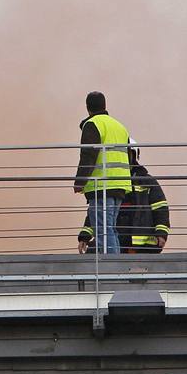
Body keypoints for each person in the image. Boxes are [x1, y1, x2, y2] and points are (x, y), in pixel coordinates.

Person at [77, 150, 171, 254]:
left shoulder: (146, 181)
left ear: (133, 156)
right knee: (94, 258)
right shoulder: (109, 182)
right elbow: (97, 212)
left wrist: (161, 234)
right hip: (114, 242)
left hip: (142, 246)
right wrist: (85, 236)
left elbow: (160, 208)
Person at [73, 91, 132, 254]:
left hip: (102, 185)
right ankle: (116, 265)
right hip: (120, 184)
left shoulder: (93, 124)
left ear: (87, 107)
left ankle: (110, 267)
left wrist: (79, 182)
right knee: (110, 229)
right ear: (105, 106)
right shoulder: (120, 126)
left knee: (102, 231)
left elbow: (88, 155)